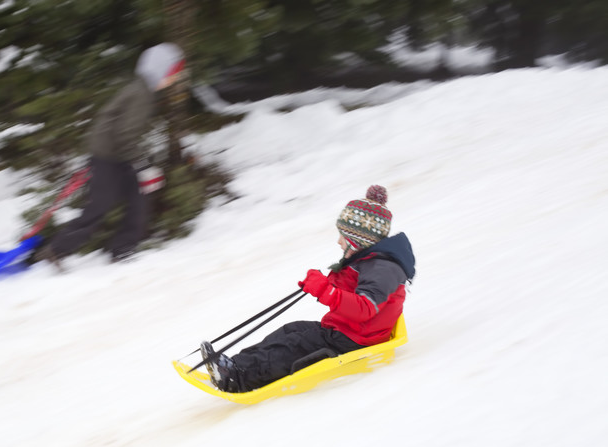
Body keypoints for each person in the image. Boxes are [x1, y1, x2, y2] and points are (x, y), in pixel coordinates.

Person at [200, 185, 416, 393]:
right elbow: (352, 291)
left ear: (360, 241)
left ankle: (238, 379)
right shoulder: (369, 261)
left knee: (294, 346)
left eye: (344, 237)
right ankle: (233, 366)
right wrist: (323, 283)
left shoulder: (383, 268)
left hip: (355, 340)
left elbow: (365, 307)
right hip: (346, 330)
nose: (339, 242)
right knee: (290, 330)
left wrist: (325, 290)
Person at [37, 43, 186, 264]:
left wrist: (141, 165)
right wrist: (142, 165)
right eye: (173, 72)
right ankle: (56, 250)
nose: (175, 78)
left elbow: (125, 133)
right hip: (108, 156)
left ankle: (123, 248)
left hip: (117, 154)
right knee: (100, 205)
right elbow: (125, 135)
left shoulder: (141, 89)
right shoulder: (141, 94)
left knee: (141, 195)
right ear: (160, 70)